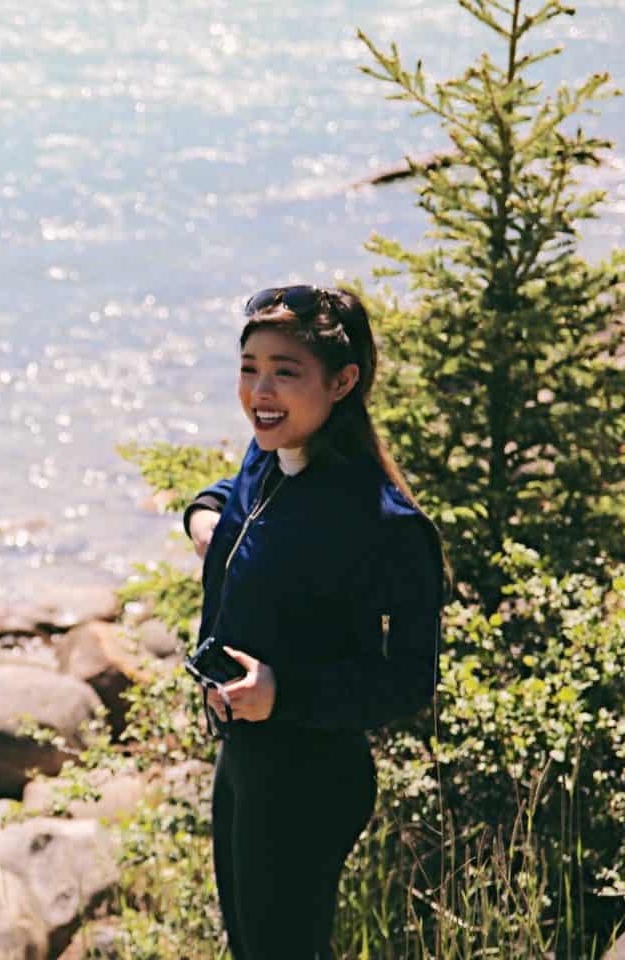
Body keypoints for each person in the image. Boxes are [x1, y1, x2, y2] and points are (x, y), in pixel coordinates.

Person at [180, 285, 447, 960]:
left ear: (343, 381)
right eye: (249, 368)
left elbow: (409, 681)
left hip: (310, 775)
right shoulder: (270, 455)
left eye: (285, 371)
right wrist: (202, 517)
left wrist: (284, 693)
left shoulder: (384, 525)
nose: (260, 391)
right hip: (244, 757)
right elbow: (233, 497)